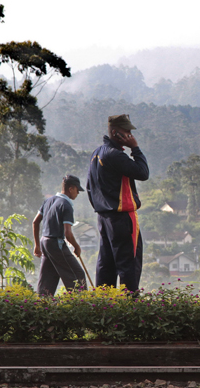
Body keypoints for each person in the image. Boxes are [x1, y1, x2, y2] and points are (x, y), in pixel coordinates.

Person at [86, 114, 149, 292]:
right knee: (129, 263)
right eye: (126, 131)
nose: (130, 135)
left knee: (106, 263)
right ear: (115, 133)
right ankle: (130, 306)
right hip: (122, 218)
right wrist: (135, 148)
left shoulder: (96, 153)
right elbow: (143, 173)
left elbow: (89, 187)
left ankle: (104, 303)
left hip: (104, 217)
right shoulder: (115, 155)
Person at [32, 175, 87, 296]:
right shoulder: (66, 205)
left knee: (48, 276)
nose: (78, 193)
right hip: (56, 243)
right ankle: (81, 305)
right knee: (78, 275)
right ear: (71, 189)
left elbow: (35, 222)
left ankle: (42, 304)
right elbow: (67, 233)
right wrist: (76, 247)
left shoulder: (49, 200)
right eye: (77, 190)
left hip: (44, 242)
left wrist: (37, 245)